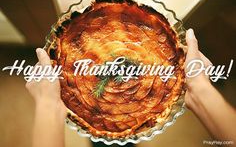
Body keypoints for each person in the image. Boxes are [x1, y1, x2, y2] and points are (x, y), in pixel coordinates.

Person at [25, 29, 236, 147]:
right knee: (104, 135)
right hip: (96, 114)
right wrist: (199, 89)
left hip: (133, 115)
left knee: (120, 138)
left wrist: (47, 105)